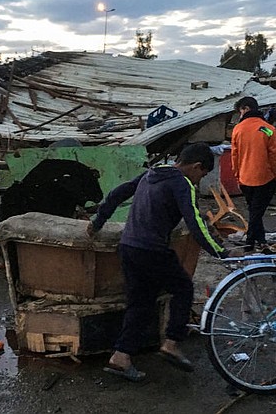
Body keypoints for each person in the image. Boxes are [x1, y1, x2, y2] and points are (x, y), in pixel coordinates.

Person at [87, 142, 229, 382]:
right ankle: (172, 342)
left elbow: (118, 193)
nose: (198, 181)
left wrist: (98, 221)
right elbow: (195, 221)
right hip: (152, 250)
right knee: (183, 288)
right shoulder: (182, 183)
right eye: (201, 175)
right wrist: (221, 253)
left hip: (129, 247)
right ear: (196, 166)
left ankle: (121, 356)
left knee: (141, 302)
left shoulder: (153, 173)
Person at [231, 96, 276, 251]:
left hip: (245, 177)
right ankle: (251, 242)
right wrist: (275, 174)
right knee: (256, 213)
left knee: (254, 211)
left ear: (246, 109)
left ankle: (260, 240)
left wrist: (237, 176)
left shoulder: (238, 129)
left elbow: (235, 156)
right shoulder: (267, 129)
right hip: (265, 178)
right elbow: (274, 156)